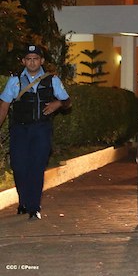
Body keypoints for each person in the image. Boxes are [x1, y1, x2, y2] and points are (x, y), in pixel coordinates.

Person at [0, 45, 71, 220]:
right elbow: (4, 106)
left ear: (42, 61)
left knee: (37, 167)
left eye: (36, 59)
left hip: (41, 129)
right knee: (19, 166)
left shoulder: (52, 80)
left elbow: (67, 101)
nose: (32, 62)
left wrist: (58, 103)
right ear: (24, 61)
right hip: (19, 129)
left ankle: (34, 206)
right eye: (29, 59)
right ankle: (23, 201)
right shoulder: (15, 80)